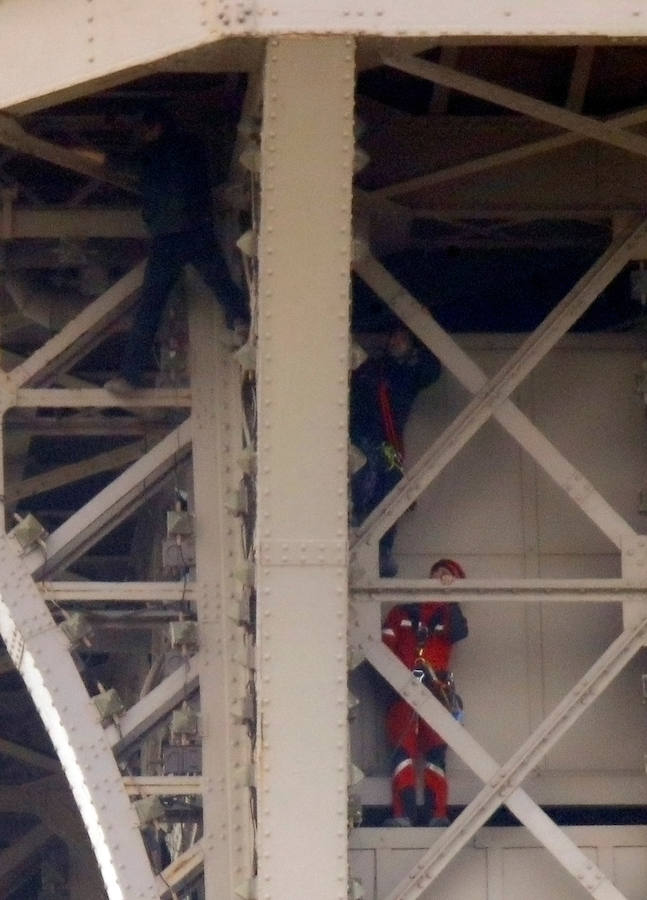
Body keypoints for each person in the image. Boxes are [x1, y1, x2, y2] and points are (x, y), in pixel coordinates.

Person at [105, 107, 248, 395]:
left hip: (167, 239)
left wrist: (79, 150)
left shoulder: (149, 155)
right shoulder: (192, 147)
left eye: (144, 130)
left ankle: (130, 377)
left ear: (155, 127)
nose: (141, 135)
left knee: (150, 307)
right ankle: (242, 323)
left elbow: (115, 163)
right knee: (221, 283)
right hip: (198, 230)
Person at [382, 558, 468, 827]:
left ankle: (437, 814)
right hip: (403, 688)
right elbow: (384, 649)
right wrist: (390, 688)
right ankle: (403, 814)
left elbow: (458, 632)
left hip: (436, 690)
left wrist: (450, 598)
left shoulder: (449, 616)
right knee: (402, 752)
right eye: (438, 573)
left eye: (448, 576)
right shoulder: (402, 613)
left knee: (435, 754)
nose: (441, 577)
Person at [349, 326, 441, 576]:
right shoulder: (372, 369)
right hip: (361, 437)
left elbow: (432, 370)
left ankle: (382, 549)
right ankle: (363, 535)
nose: (396, 341)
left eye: (402, 338)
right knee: (363, 484)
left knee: (388, 491)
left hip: (385, 442)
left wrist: (415, 346)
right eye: (394, 337)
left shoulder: (407, 371)